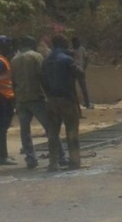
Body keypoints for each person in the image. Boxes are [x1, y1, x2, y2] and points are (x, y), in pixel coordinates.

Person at [11, 35, 67, 169]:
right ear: (32, 44)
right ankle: (61, 156)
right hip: (36, 97)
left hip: (21, 99)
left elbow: (13, 82)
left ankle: (31, 159)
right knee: (50, 129)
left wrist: (15, 99)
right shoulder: (36, 57)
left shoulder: (14, 60)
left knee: (25, 132)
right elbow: (43, 76)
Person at [42, 34, 83, 171]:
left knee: (53, 134)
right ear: (64, 44)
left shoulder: (46, 60)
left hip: (51, 100)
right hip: (67, 99)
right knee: (71, 131)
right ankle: (74, 162)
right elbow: (80, 74)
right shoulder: (67, 59)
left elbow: (42, 80)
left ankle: (53, 163)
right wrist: (76, 59)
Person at [0, 35, 17, 166]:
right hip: (2, 97)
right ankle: (2, 156)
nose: (9, 47)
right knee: (2, 127)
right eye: (7, 44)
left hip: (5, 97)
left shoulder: (4, 60)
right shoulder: (1, 61)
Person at [71, 37, 93, 110]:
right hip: (73, 70)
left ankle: (87, 103)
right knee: (72, 88)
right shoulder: (71, 50)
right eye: (76, 42)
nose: (78, 43)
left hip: (80, 70)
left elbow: (86, 58)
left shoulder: (81, 49)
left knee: (83, 88)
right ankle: (74, 104)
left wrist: (84, 68)